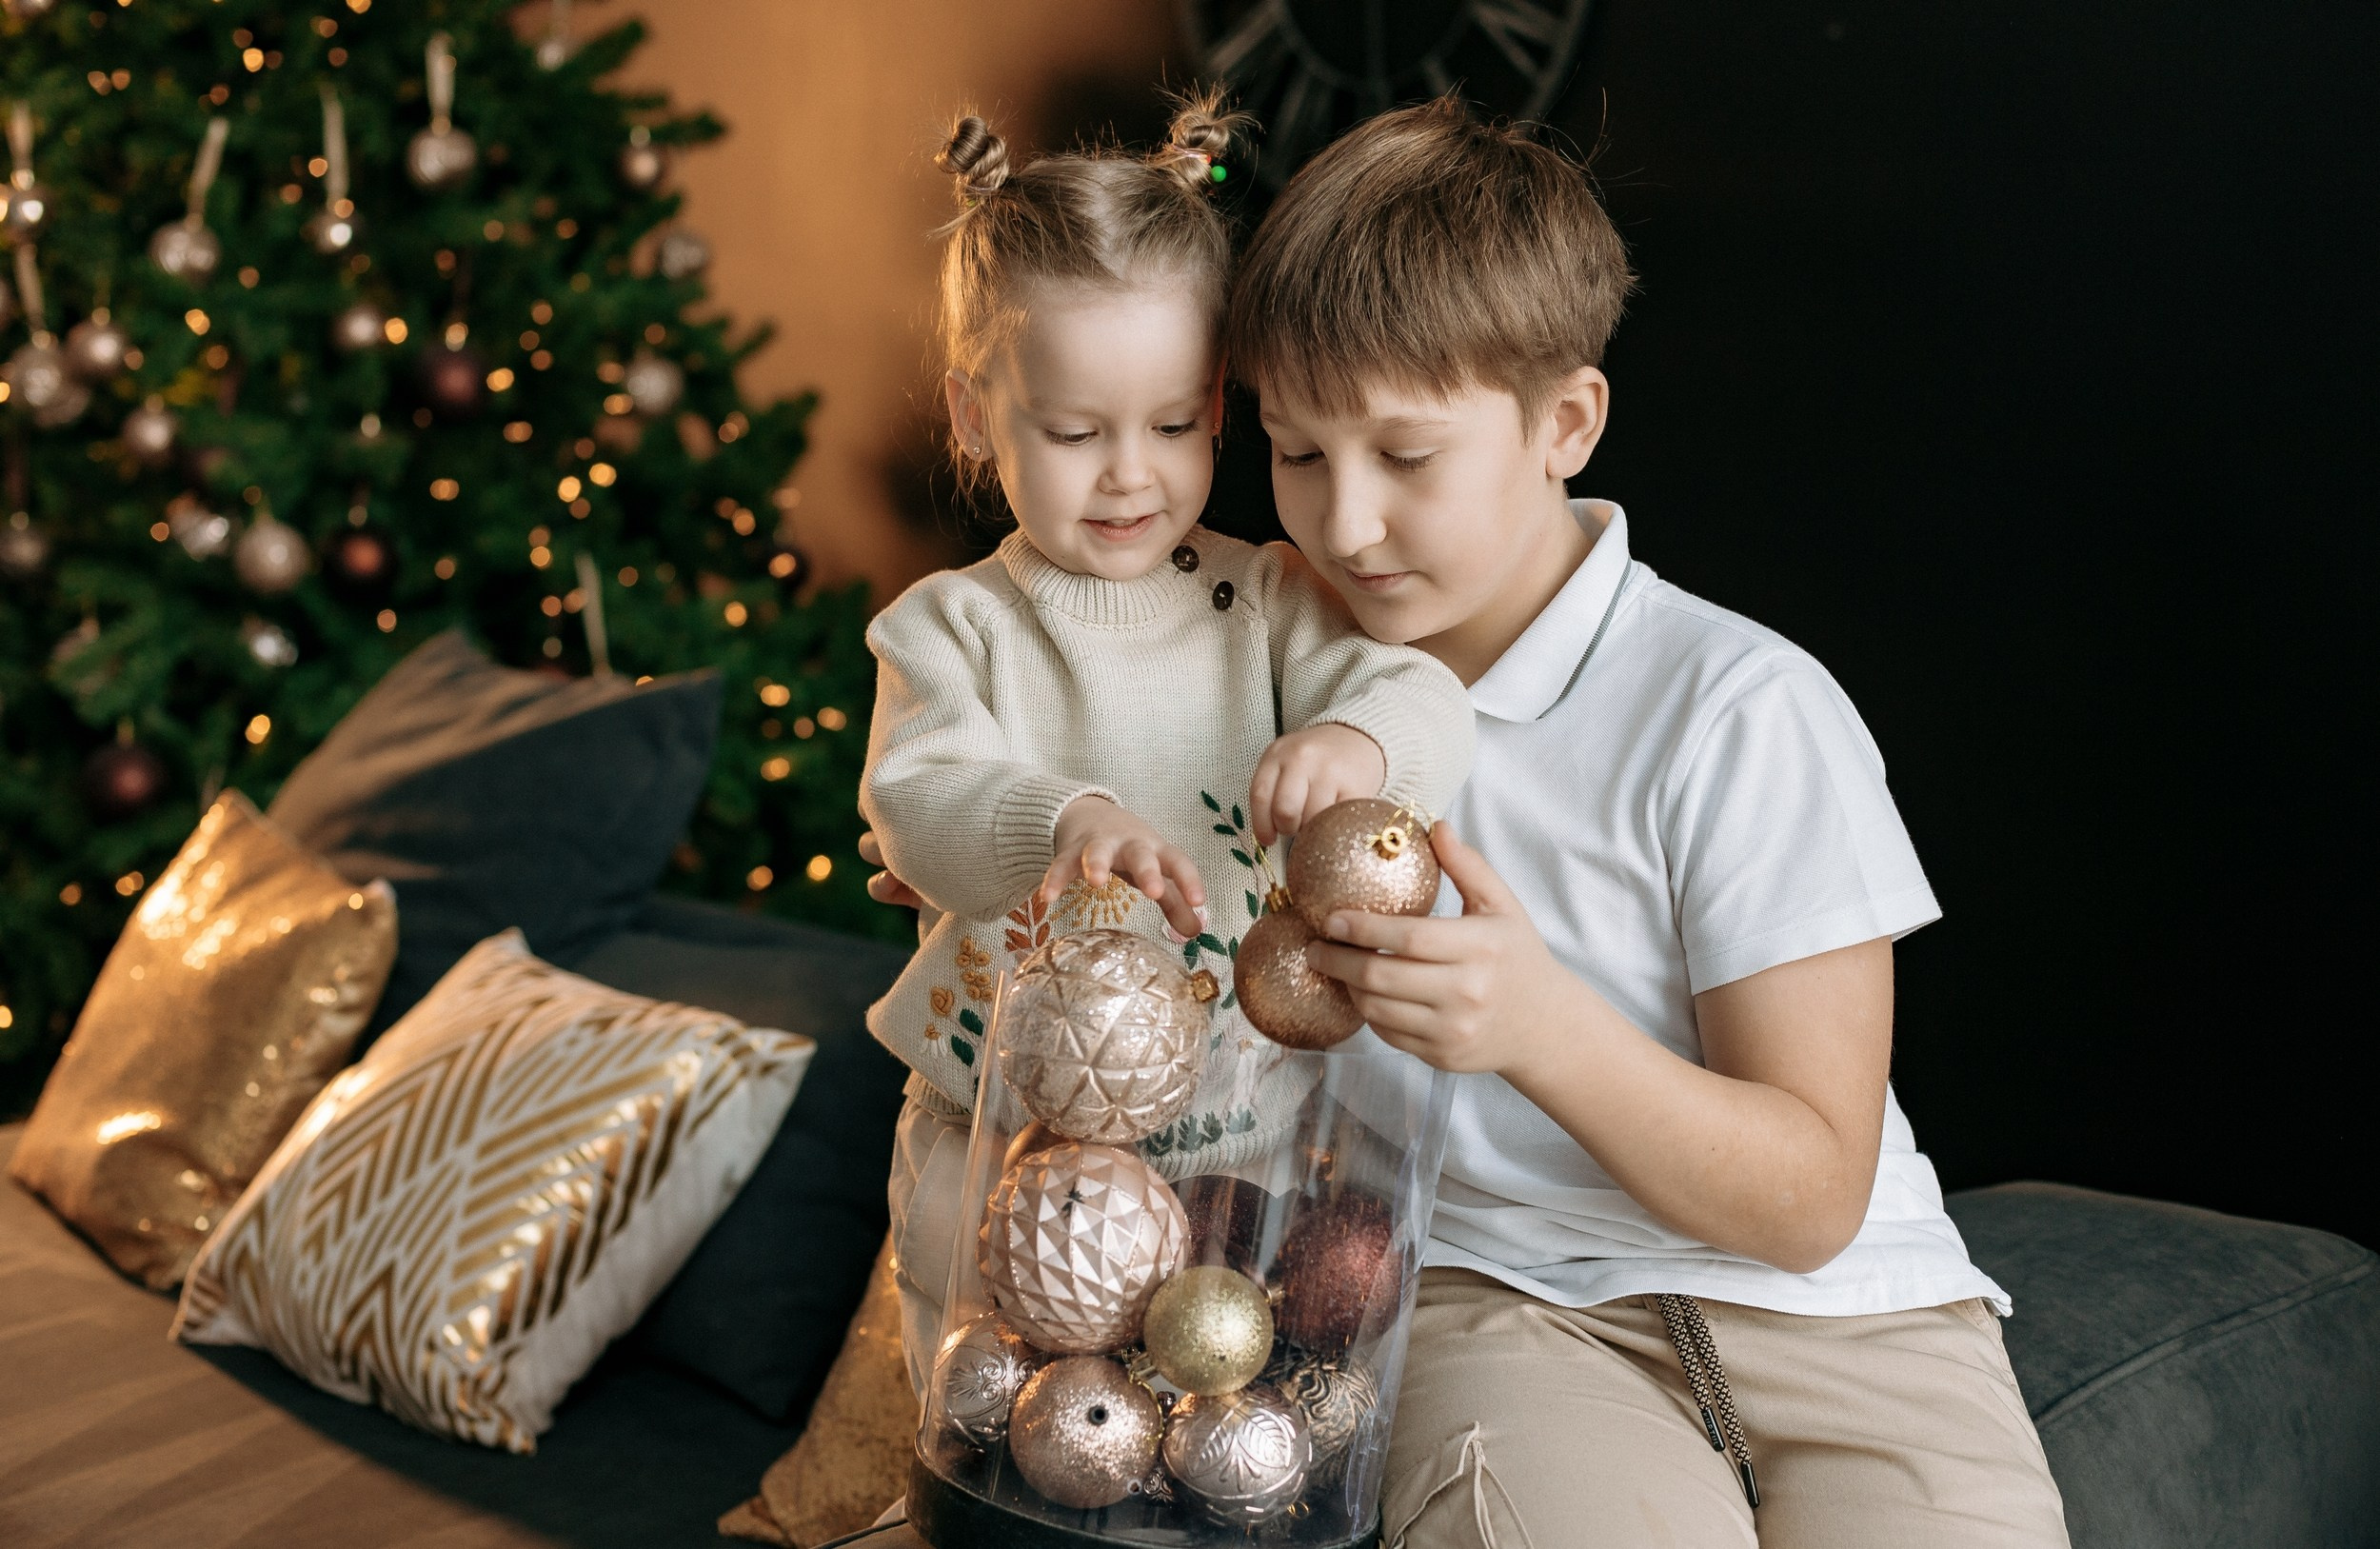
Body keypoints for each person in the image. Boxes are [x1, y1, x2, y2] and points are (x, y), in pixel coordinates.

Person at [1213, 97, 2072, 1548]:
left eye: (1405, 457)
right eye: (1298, 453)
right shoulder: (1269, 679)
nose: (1342, 526)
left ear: (1565, 421)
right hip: (1505, 1307)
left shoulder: (1740, 710)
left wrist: (1538, 1025)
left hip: (1847, 1325)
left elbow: (1807, 1197)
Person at [863, 93, 1475, 1397]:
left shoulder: (1269, 601)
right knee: (987, 1414)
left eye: (1176, 425)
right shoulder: (954, 628)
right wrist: (1062, 819)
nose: (1130, 475)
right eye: (1076, 434)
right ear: (979, 420)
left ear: (1216, 402)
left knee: (1191, 1421)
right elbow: (918, 798)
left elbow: (1428, 700)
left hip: (1243, 1143)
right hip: (994, 1138)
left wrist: (1361, 744)